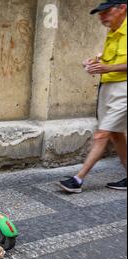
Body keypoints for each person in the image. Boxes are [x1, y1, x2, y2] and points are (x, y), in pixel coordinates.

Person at [60, 0, 127, 193]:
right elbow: (112, 57)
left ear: (122, 8)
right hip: (108, 86)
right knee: (115, 134)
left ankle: (78, 179)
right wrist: (95, 61)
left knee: (102, 134)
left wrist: (108, 67)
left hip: (124, 88)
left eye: (106, 12)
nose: (101, 17)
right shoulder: (114, 29)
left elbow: (114, 65)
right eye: (100, 13)